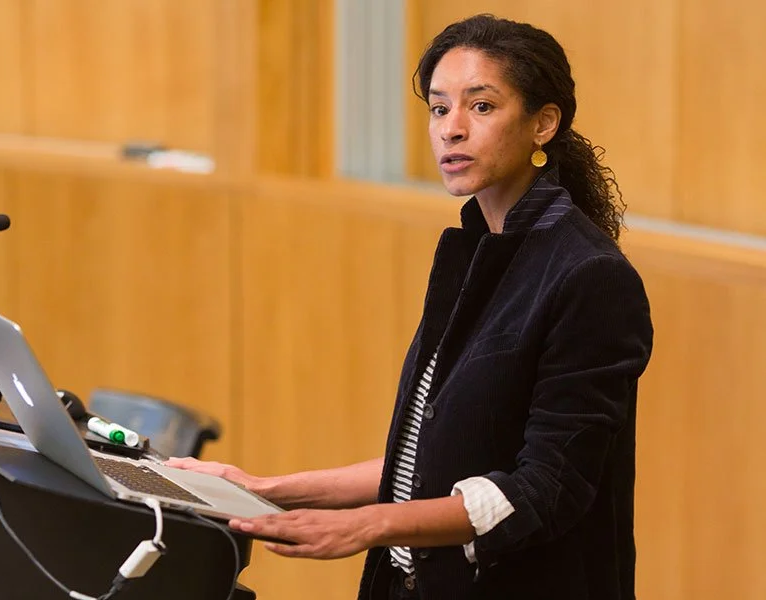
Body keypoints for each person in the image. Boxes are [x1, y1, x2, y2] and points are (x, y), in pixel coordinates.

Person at [167, 14, 653, 600]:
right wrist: (265, 488)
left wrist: (367, 526)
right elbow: (427, 461)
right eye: (439, 108)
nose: (451, 130)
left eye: (480, 107)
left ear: (543, 124)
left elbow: (545, 489)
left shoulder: (590, 276)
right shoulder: (476, 249)